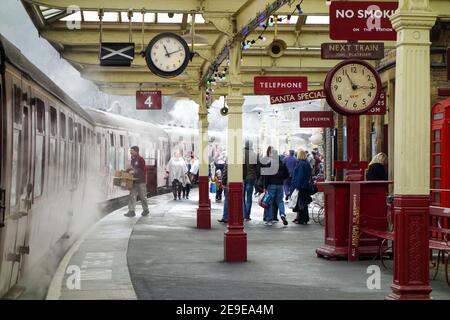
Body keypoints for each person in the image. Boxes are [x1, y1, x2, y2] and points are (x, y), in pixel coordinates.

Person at [261, 147, 289, 226]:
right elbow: (287, 175)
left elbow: (266, 176)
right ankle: (282, 214)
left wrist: (265, 186)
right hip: (280, 185)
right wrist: (281, 179)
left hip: (271, 185)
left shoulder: (269, 163)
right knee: (280, 201)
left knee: (269, 202)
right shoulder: (282, 164)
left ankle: (269, 219)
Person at [124, 146, 149, 217]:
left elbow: (142, 170)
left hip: (141, 181)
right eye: (130, 151)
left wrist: (134, 172)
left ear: (136, 151)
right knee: (132, 196)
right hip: (134, 181)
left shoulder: (141, 159)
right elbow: (133, 168)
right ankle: (131, 211)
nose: (130, 152)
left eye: (131, 151)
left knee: (143, 196)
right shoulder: (133, 159)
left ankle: (145, 209)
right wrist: (127, 170)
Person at [291, 149, 312, 224]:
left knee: (300, 203)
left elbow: (299, 176)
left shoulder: (300, 164)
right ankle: (304, 218)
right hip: (305, 185)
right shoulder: (306, 163)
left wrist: (297, 186)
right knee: (303, 203)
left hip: (301, 186)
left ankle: (301, 219)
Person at [243, 140, 259, 222]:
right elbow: (257, 168)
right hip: (251, 177)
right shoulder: (254, 154)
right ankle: (247, 216)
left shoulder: (240, 153)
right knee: (249, 197)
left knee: (241, 197)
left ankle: (242, 214)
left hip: (241, 178)